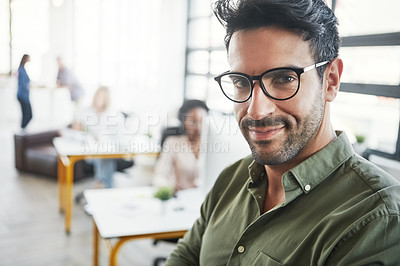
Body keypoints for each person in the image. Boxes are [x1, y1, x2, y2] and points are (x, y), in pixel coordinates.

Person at [167, 0, 400, 265]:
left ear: (331, 80)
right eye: (241, 82)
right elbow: (186, 257)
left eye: (283, 78)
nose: (256, 111)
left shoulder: (377, 218)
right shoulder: (231, 179)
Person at [153, 99, 209, 192]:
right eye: (193, 122)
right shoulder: (172, 142)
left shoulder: (210, 144)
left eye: (202, 122)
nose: (199, 128)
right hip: (178, 198)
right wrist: (170, 187)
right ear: (183, 122)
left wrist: (196, 184)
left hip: (204, 198)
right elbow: (159, 176)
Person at [72, 86, 120, 189]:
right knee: (103, 157)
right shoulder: (84, 112)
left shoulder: (112, 114)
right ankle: (105, 187)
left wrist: (101, 137)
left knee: (106, 156)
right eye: (98, 96)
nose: (99, 99)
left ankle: (101, 184)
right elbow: (77, 129)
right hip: (88, 150)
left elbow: (114, 135)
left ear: (106, 100)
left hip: (106, 148)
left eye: (102, 97)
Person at [17, 54, 33, 131]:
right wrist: (28, 86)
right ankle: (22, 131)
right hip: (22, 95)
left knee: (28, 115)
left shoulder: (23, 69)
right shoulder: (21, 70)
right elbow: (23, 84)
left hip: (25, 96)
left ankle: (23, 130)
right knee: (27, 114)